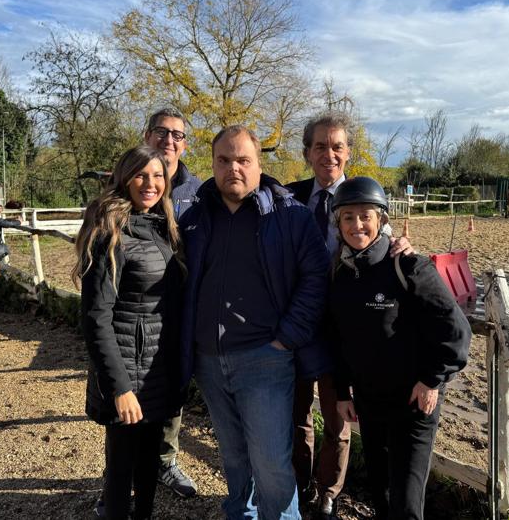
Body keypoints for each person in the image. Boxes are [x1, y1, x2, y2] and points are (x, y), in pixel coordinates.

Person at [179, 125, 330, 519]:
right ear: (211, 164)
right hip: (209, 361)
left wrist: (288, 337)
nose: (234, 168)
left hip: (264, 359)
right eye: (224, 160)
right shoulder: (194, 218)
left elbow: (316, 277)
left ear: (259, 165)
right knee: (232, 457)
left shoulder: (290, 216)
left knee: (271, 464)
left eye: (243, 160)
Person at [286, 112, 413, 519]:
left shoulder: (363, 201)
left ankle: (329, 492)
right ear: (307, 153)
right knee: (295, 415)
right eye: (320, 146)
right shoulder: (288, 198)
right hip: (296, 327)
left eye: (337, 145)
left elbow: (383, 241)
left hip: (342, 333)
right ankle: (297, 484)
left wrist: (402, 246)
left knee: (338, 418)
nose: (329, 153)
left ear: (348, 152)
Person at [327, 177, 471, 520]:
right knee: (381, 490)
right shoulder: (340, 273)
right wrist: (343, 392)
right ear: (338, 223)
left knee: (406, 503)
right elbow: (338, 337)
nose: (356, 224)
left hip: (413, 401)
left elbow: (455, 329)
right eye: (347, 217)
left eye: (365, 216)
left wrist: (432, 379)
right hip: (369, 401)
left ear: (381, 220)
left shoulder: (408, 266)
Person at [74, 146, 185, 520]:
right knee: (120, 472)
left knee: (149, 467)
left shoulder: (161, 226)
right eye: (141, 175)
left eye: (157, 176)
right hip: (127, 374)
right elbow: (95, 317)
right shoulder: (110, 231)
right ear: (123, 179)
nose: (150, 184)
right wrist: (119, 387)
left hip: (157, 371)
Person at [144, 107, 201, 497]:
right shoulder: (128, 180)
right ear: (147, 135)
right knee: (132, 387)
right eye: (161, 132)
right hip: (138, 307)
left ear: (185, 143)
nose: (169, 140)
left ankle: (165, 461)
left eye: (177, 135)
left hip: (182, 309)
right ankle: (122, 474)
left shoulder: (197, 193)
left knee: (174, 387)